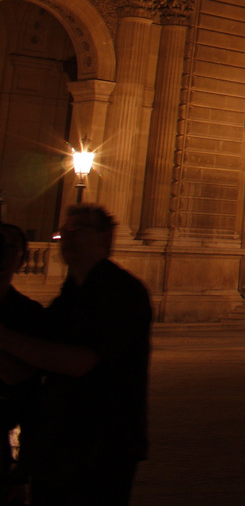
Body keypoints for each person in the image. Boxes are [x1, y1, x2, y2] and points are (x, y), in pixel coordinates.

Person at [0, 204, 151, 506]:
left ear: (105, 238)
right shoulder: (69, 295)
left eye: (78, 229)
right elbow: (30, 365)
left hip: (99, 446)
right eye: (64, 230)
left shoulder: (120, 292)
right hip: (57, 443)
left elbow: (77, 362)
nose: (66, 237)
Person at [0, 224, 44, 501]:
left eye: (11, 245)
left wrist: (25, 466)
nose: (2, 251)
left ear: (22, 258)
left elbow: (24, 381)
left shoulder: (28, 314)